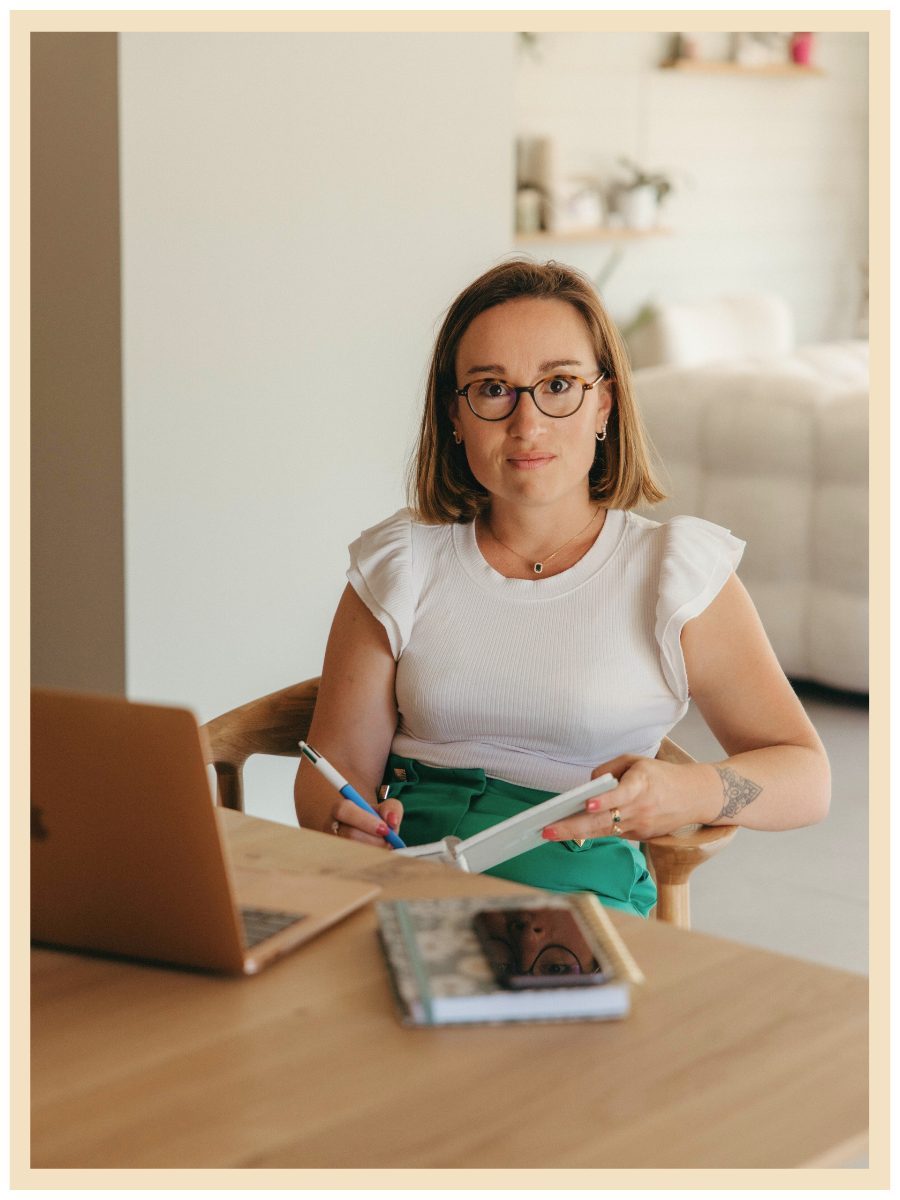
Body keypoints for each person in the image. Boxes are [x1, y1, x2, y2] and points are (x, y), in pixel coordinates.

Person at [294, 259, 830, 916]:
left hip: (578, 906)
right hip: (405, 886)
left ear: (605, 403)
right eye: (492, 389)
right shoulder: (399, 562)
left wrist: (689, 792)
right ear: (454, 415)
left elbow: (807, 777)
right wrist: (339, 820)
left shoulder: (674, 571)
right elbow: (334, 769)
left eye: (559, 384)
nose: (528, 424)